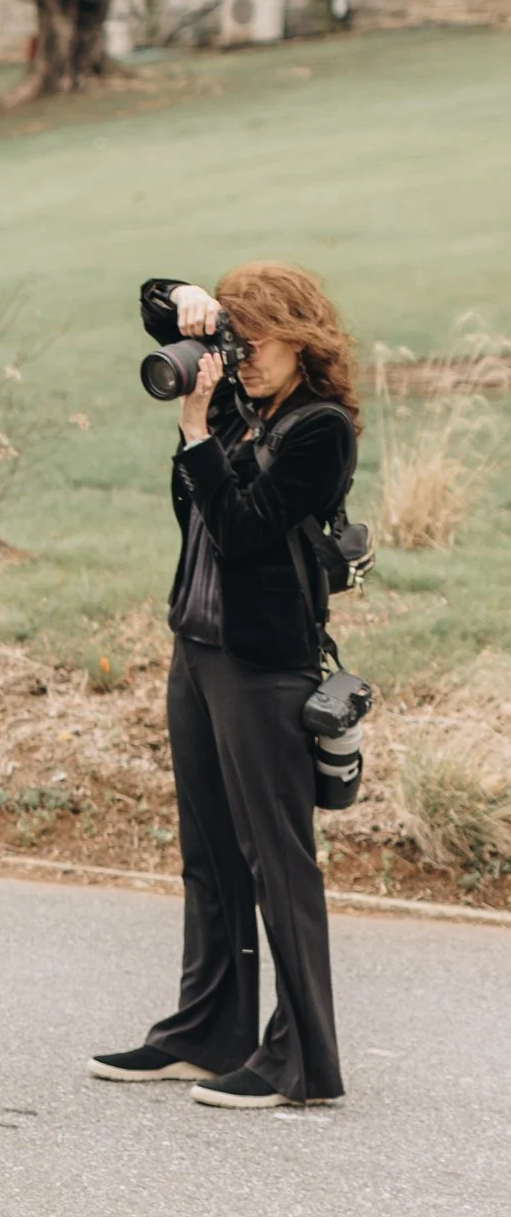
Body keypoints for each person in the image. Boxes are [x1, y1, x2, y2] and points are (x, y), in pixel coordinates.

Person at [90, 267, 357, 1110]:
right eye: (233, 340)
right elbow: (148, 300)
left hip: (264, 666)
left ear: (304, 342)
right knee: (207, 857)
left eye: (258, 341)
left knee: (277, 861)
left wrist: (196, 429)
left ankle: (304, 1061)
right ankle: (209, 1033)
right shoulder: (242, 396)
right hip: (196, 647)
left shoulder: (320, 430)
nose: (241, 357)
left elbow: (241, 531)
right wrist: (190, 300)